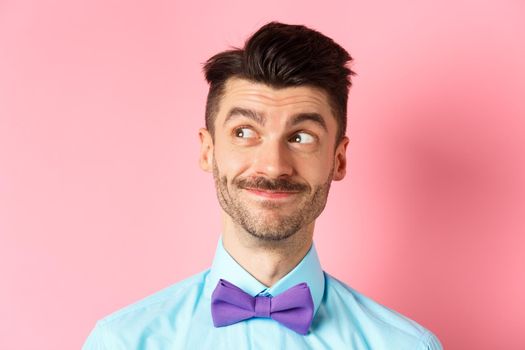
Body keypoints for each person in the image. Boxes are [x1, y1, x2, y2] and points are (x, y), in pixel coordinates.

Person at [83, 21, 442, 349]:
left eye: (302, 136)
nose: (273, 165)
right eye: (244, 133)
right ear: (208, 151)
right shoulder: (122, 341)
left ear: (338, 159)